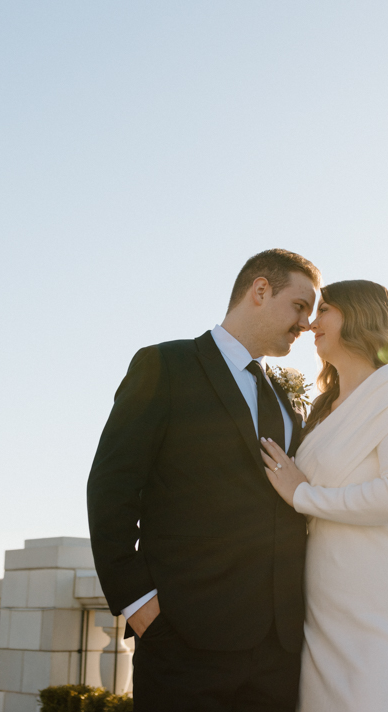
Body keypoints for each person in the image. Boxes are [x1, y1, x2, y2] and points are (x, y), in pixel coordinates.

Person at [86, 249, 321, 712]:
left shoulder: (285, 396)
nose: (305, 325)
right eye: (299, 306)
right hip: (183, 640)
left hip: (279, 650)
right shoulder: (165, 366)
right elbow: (112, 486)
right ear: (259, 290)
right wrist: (138, 604)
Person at [260, 280, 388, 712]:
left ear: (361, 315)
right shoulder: (322, 408)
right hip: (328, 617)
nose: (311, 323)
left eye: (325, 309)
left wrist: (303, 496)